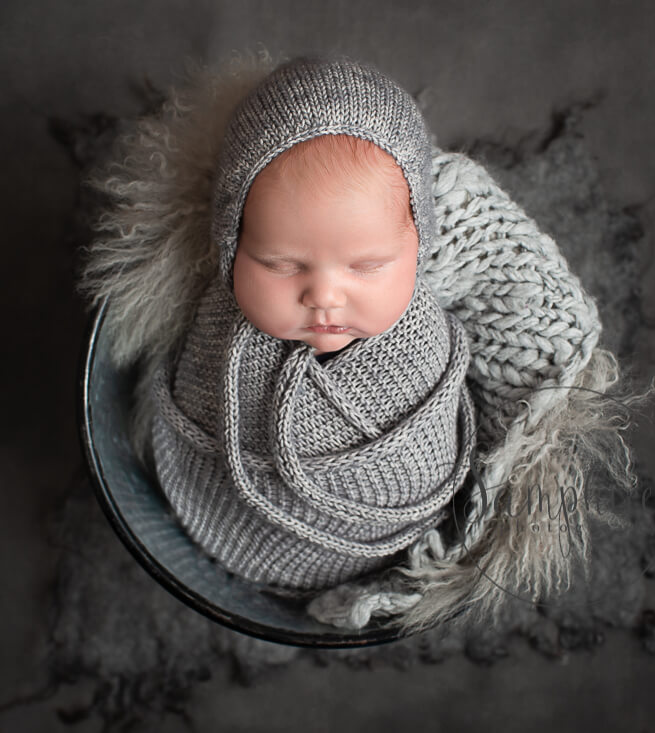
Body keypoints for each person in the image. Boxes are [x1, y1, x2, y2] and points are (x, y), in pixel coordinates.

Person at [148, 58, 476, 592]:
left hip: (384, 538)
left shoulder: (426, 350)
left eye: (366, 267)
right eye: (280, 264)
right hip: (221, 520)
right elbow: (194, 408)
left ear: (419, 250)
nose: (323, 296)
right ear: (231, 245)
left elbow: (430, 457)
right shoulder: (218, 333)